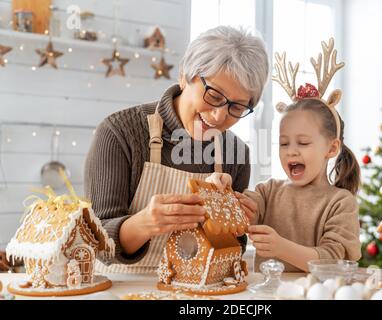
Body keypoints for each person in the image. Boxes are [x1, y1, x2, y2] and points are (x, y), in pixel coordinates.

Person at [84, 26, 269, 273]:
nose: (219, 116)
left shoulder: (236, 152)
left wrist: (235, 225)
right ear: (184, 76)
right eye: (214, 95)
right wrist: (146, 223)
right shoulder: (119, 133)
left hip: (198, 293)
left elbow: (233, 249)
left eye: (236, 107)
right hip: (125, 289)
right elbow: (96, 244)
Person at [206, 39, 361, 272]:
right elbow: (243, 212)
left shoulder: (340, 202)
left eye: (304, 142)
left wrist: (280, 247)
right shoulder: (268, 192)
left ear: (331, 148)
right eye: (284, 143)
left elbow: (333, 262)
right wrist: (226, 192)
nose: (292, 151)